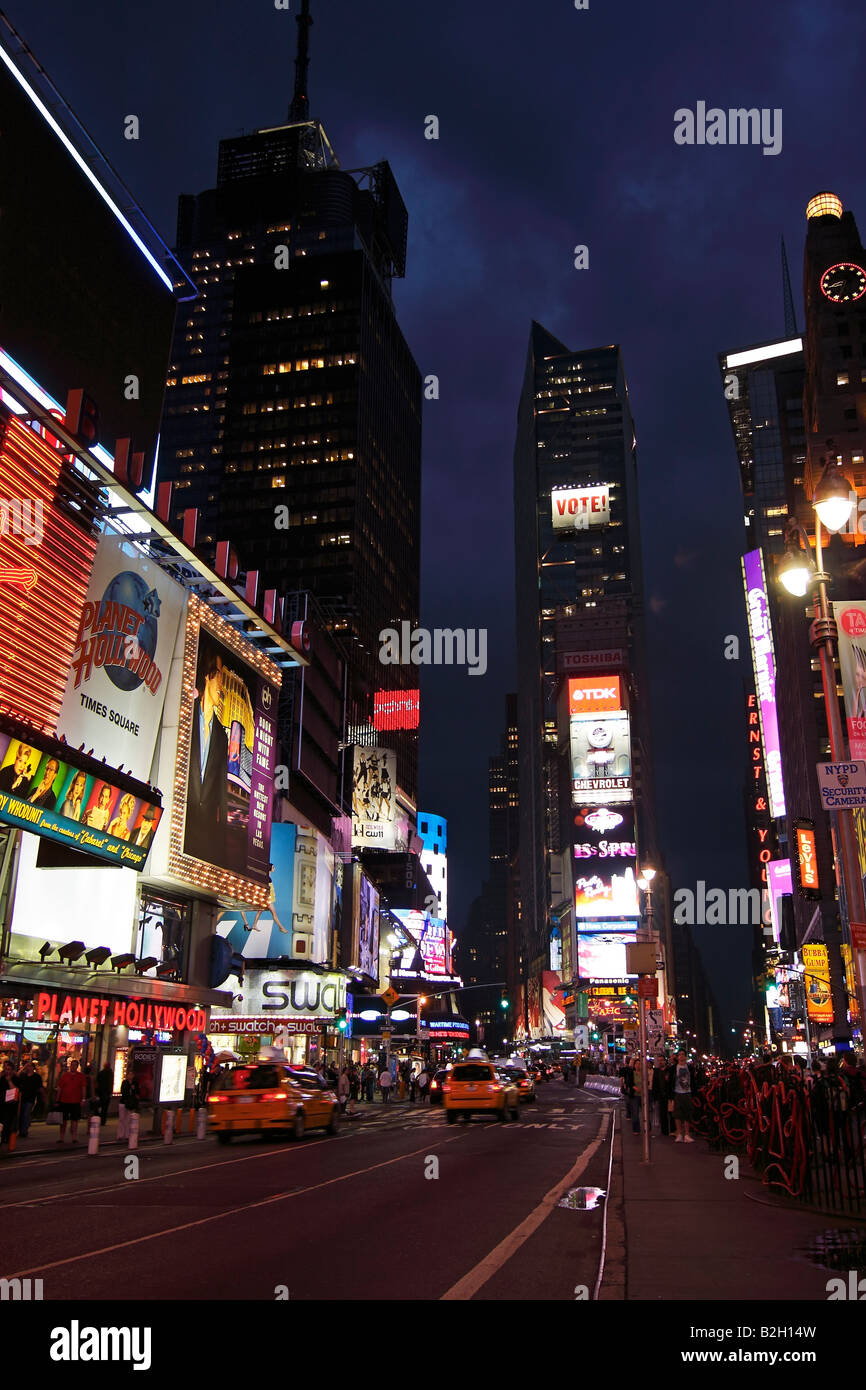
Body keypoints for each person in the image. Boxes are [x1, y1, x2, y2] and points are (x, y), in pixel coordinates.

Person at [184, 638, 229, 866]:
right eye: (219, 675)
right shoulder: (186, 716)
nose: (222, 684)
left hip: (207, 838)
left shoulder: (221, 735)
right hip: (180, 825)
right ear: (207, 676)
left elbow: (222, 792)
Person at [56, 1058, 87, 1144]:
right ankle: (61, 1137)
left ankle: (74, 1137)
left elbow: (83, 1088)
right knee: (63, 1120)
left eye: (75, 1065)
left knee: (74, 1120)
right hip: (64, 1101)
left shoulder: (81, 1076)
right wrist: (57, 1100)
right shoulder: (65, 1076)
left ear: (77, 1067)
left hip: (76, 1101)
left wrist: (83, 1099)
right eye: (72, 1065)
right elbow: (60, 1088)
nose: (73, 1067)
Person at [669, 1050, 696, 1143]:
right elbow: (670, 1082)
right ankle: (679, 1133)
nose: (681, 1057)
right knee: (677, 1114)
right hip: (677, 1093)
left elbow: (693, 1080)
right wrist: (671, 1096)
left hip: (687, 1092)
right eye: (679, 1055)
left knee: (687, 1114)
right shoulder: (673, 1068)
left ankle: (687, 1134)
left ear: (685, 1057)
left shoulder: (690, 1068)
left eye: (683, 1055)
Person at [14, 1059, 43, 1137]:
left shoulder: (36, 1076)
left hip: (30, 1098)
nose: (28, 1068)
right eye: (27, 1066)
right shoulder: (23, 1075)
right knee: (20, 1115)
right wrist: (23, 1068)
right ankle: (21, 1130)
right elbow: (16, 1076)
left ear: (33, 1067)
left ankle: (24, 1131)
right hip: (21, 1098)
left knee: (26, 1114)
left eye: (29, 1066)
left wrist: (42, 1096)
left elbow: (40, 1087)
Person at [651, 1054, 671, 1136]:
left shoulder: (669, 1070)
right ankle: (664, 1131)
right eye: (659, 1060)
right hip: (660, 1095)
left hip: (669, 1094)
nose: (660, 1062)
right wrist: (655, 1096)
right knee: (662, 1113)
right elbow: (655, 1083)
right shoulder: (656, 1071)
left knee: (670, 1113)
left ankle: (672, 1130)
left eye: (661, 1060)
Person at [1, 1061, 19, 1145]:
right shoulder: (2, 1078)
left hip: (11, 1105)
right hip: (2, 1103)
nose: (7, 1071)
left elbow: (15, 1090)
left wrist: (9, 1081)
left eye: (9, 1069)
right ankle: (2, 1137)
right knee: (2, 1122)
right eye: (6, 1069)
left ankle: (6, 1138)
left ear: (12, 1070)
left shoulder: (15, 1079)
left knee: (8, 1122)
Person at [118, 1073, 140, 1141]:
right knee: (122, 1119)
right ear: (127, 1075)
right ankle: (120, 1135)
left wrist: (134, 1089)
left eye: (132, 1074)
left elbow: (137, 1092)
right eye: (129, 1074)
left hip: (131, 1103)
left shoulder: (135, 1083)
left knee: (128, 1119)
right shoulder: (124, 1082)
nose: (130, 1076)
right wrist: (130, 1087)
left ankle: (127, 1135)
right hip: (123, 1102)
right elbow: (123, 1091)